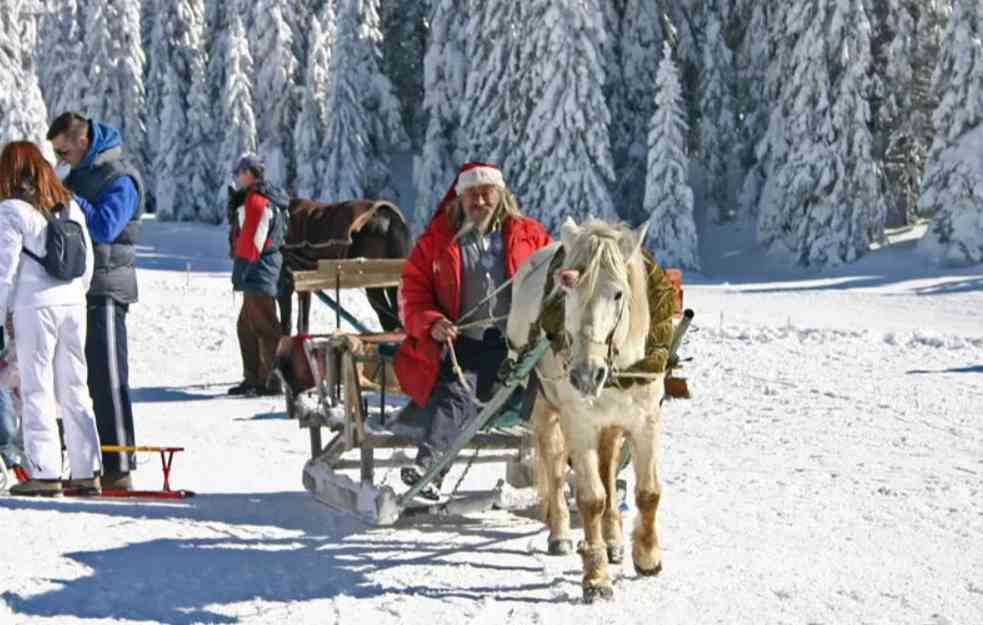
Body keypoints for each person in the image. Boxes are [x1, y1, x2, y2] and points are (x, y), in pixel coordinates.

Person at [394, 162, 552, 500]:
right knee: (457, 396)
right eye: (472, 195)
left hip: (520, 344)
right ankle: (430, 469)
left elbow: (557, 271)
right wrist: (432, 321)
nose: (479, 201)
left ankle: (575, 470)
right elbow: (411, 293)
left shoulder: (531, 234)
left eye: (486, 193)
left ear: (500, 194)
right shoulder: (437, 240)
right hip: (465, 343)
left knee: (557, 393)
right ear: (460, 198)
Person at [47, 112, 144, 491]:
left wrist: (69, 199)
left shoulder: (120, 178)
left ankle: (120, 463)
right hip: (77, 288)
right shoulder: (78, 174)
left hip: (106, 287)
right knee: (77, 380)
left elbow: (106, 226)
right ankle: (86, 459)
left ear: (83, 142)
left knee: (108, 378)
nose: (60, 158)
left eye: (64, 150)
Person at [0, 141, 102, 496]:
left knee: (36, 387)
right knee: (76, 386)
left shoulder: (11, 210)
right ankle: (88, 469)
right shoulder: (69, 204)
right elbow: (87, 262)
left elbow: (4, 272)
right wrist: (75, 297)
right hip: (73, 305)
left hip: (34, 307)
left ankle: (44, 471)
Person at [227, 153, 288, 396]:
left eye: (240, 172)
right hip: (259, 270)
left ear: (250, 173)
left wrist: (242, 270)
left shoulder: (256, 202)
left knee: (265, 327)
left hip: (258, 271)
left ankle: (272, 381)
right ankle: (253, 378)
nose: (238, 177)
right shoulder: (259, 199)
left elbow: (253, 242)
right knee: (246, 326)